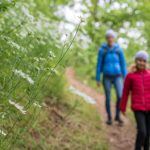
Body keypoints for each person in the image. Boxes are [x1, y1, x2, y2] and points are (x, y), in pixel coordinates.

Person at [96, 29, 127, 125]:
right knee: (108, 97)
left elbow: (123, 64)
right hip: (107, 77)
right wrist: (98, 78)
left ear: (114, 38)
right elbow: (99, 64)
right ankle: (109, 118)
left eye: (112, 37)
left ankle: (117, 116)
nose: (110, 39)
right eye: (108, 37)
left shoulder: (118, 49)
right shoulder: (102, 50)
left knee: (120, 96)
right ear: (106, 38)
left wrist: (125, 76)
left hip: (118, 76)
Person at [120, 51, 150, 150]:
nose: (141, 63)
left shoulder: (149, 75)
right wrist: (122, 107)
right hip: (138, 108)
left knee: (148, 133)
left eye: (144, 61)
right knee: (142, 131)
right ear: (136, 61)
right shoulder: (130, 76)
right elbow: (125, 92)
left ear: (146, 62)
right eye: (139, 60)